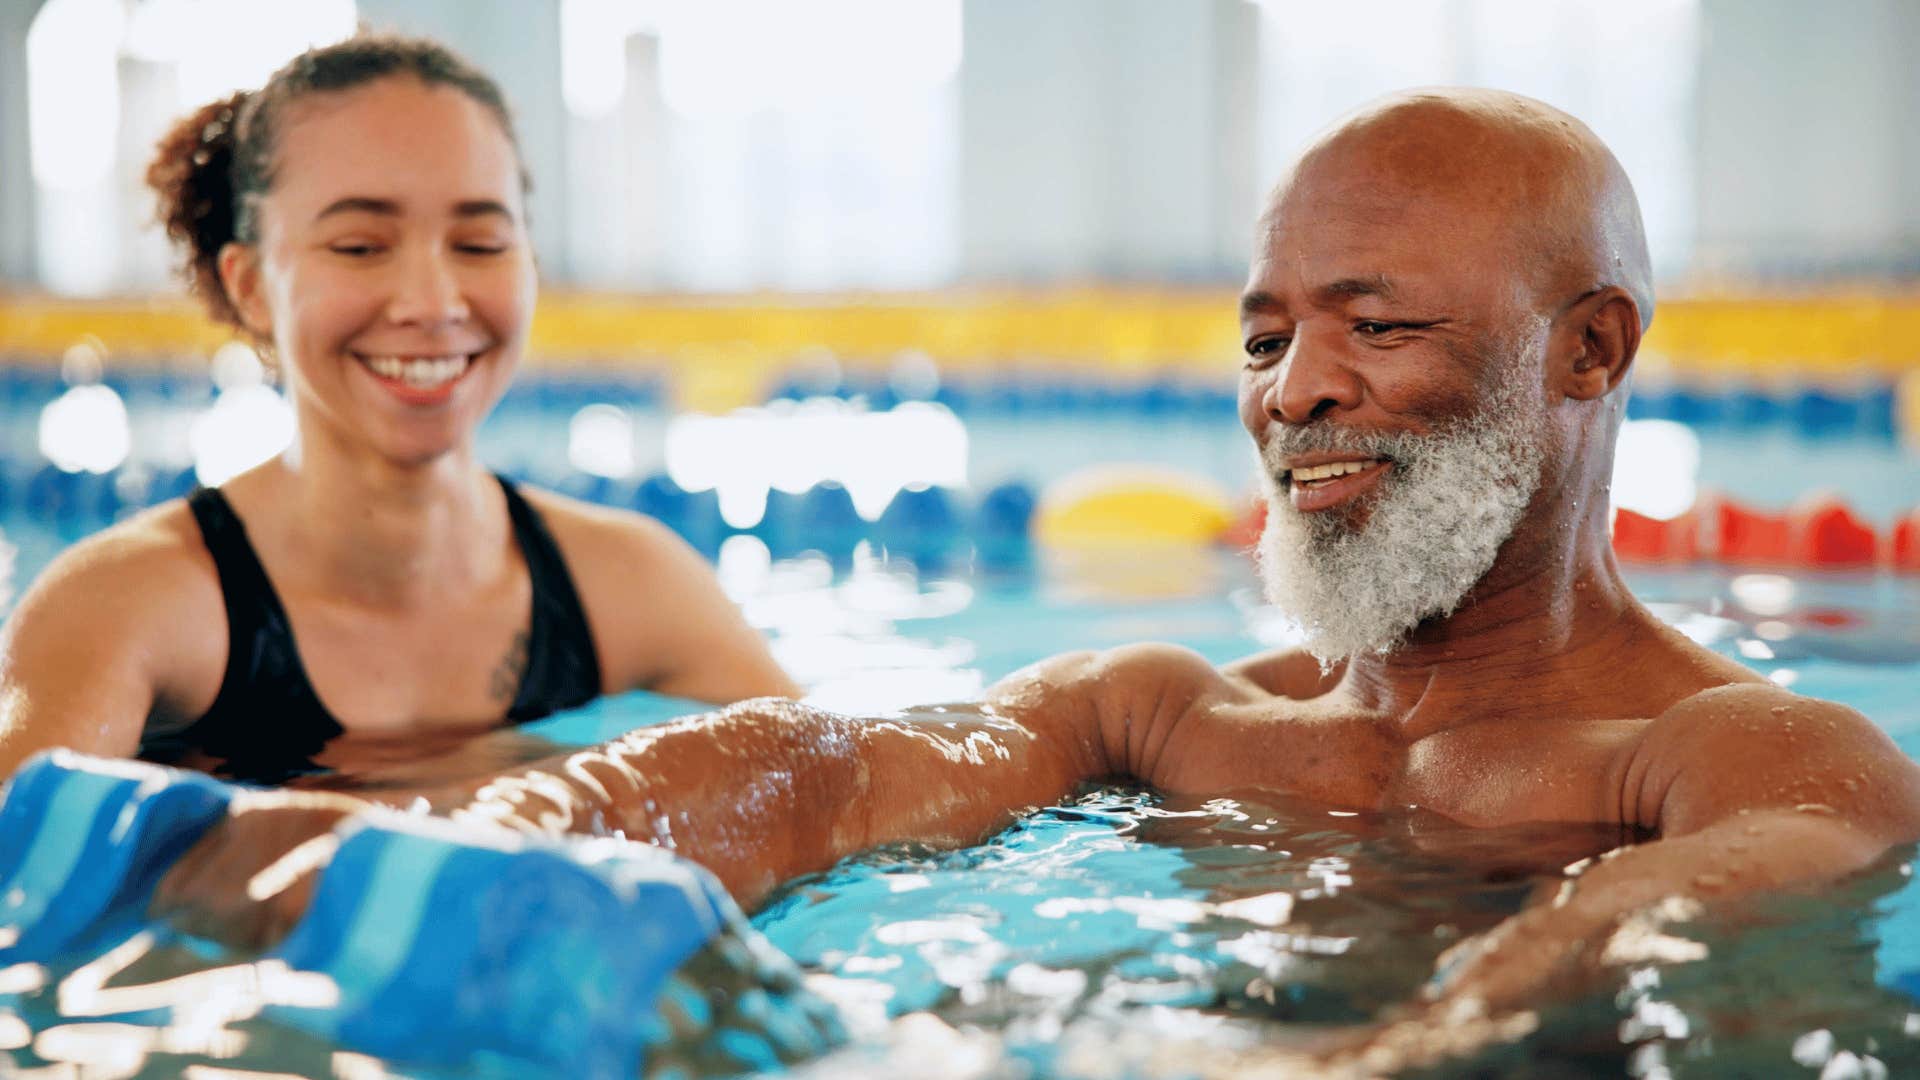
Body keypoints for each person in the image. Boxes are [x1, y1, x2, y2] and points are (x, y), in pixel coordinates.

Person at [154, 87, 1920, 1068]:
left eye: (1375, 326)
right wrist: (506, 849)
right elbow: (822, 768)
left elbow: (1632, 940)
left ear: (1589, 347)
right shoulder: (1158, 714)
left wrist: (1372, 1062)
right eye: (1264, 334)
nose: (1294, 388)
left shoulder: (1759, 757)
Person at [0, 35, 797, 788]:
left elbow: (850, 792)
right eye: (359, 246)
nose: (433, 302)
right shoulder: (131, 605)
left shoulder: (633, 586)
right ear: (250, 286)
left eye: (480, 244)